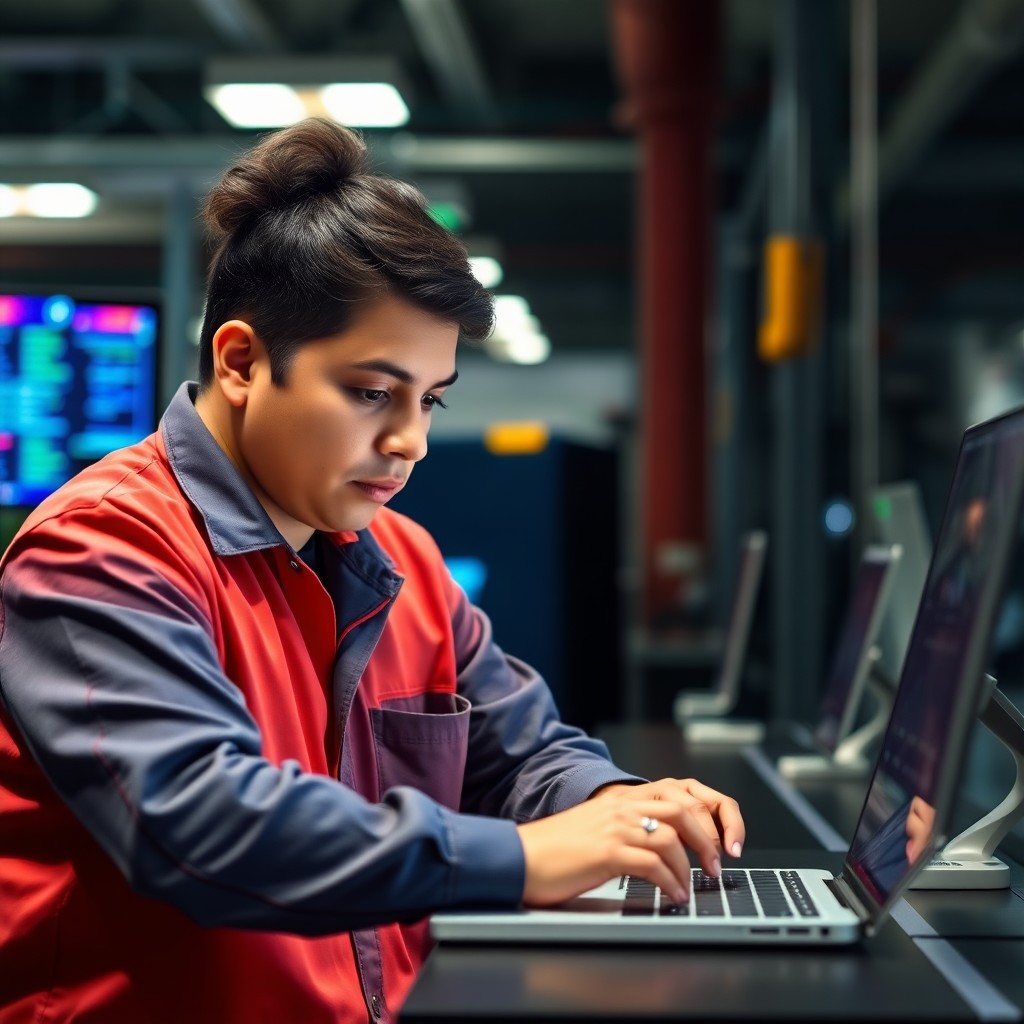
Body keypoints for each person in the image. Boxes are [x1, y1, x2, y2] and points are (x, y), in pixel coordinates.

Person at [0, 118, 745, 1024]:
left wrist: (626, 809)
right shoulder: (101, 550)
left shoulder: (406, 562)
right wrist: (530, 859)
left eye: (429, 400)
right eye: (370, 393)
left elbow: (522, 754)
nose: (411, 442)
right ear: (241, 361)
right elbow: (201, 829)